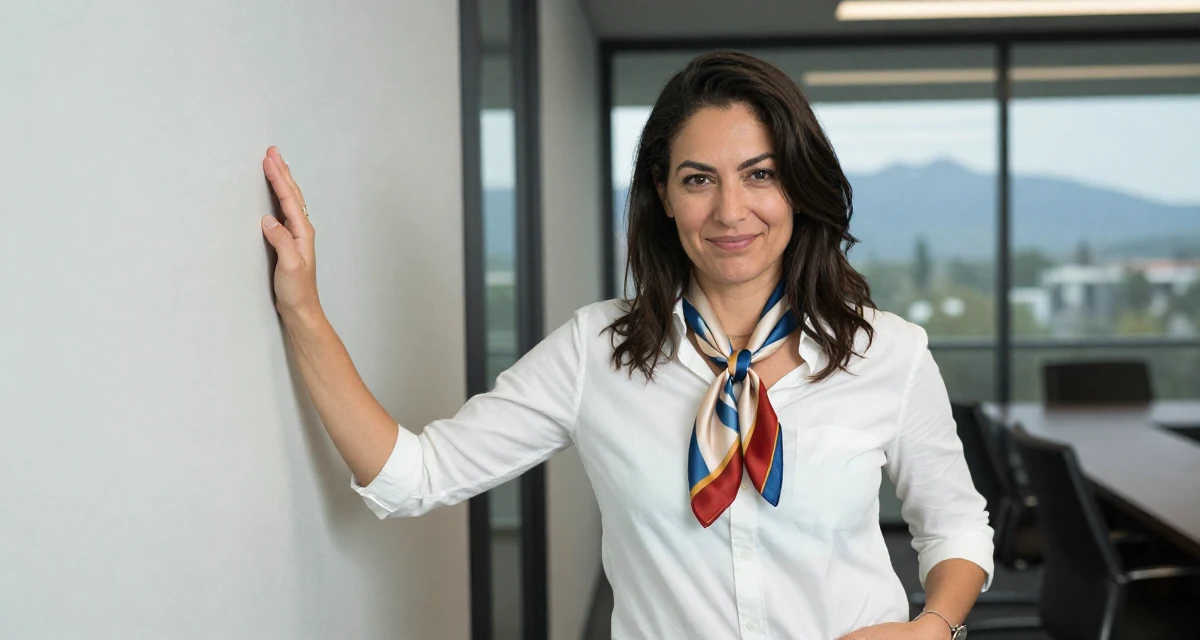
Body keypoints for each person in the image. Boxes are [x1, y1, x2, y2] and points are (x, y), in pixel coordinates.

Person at [259, 50, 992, 640]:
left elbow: (957, 525)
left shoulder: (887, 353)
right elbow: (414, 476)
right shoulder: (595, 352)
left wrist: (930, 627)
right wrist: (304, 311)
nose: (731, 210)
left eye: (760, 175)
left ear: (797, 188)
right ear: (664, 195)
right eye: (698, 179)